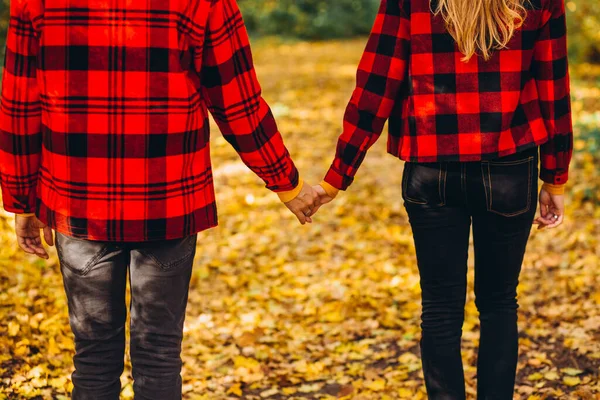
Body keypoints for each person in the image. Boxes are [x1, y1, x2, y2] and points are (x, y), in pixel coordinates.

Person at [0, 0, 320, 398]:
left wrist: (21, 199)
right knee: (158, 354)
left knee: (94, 355)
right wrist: (287, 183)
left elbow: (19, 104)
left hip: (78, 203)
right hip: (167, 202)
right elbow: (238, 103)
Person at [315, 0, 572, 398]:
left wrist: (337, 176)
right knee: (500, 301)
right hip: (509, 166)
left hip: (431, 168)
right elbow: (554, 87)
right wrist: (555, 178)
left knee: (439, 308)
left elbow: (375, 84)